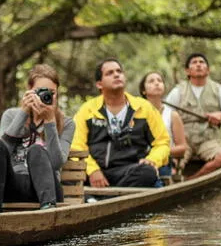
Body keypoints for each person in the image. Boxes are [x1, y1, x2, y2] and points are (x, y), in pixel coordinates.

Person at [0, 64, 75, 213]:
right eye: (40, 92)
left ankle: (48, 212)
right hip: (14, 186)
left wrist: (50, 121)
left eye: (52, 92)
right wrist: (23, 113)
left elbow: (57, 163)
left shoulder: (67, 123)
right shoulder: (11, 115)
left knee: (36, 150)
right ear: (29, 91)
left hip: (48, 189)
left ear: (57, 93)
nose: (46, 96)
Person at [71, 58, 169, 189]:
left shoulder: (144, 107)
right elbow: (77, 146)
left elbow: (162, 143)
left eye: (119, 71)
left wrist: (152, 160)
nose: (116, 74)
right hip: (96, 173)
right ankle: (101, 196)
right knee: (66, 174)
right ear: (99, 84)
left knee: (147, 172)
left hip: (130, 171)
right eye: (109, 73)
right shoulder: (87, 110)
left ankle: (99, 198)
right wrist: (93, 170)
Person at [164, 53, 221, 179]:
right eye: (194, 62)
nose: (198, 64)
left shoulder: (219, 90)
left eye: (202, 62)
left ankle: (192, 180)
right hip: (183, 140)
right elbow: (165, 117)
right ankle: (174, 176)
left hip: (208, 139)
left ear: (208, 70)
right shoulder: (177, 91)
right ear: (187, 71)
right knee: (168, 160)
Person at [138, 71, 187, 177]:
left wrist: (159, 153)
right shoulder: (136, 114)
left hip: (165, 161)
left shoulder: (172, 115)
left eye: (159, 81)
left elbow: (182, 148)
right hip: (140, 160)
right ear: (143, 90)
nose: (156, 83)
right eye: (151, 81)